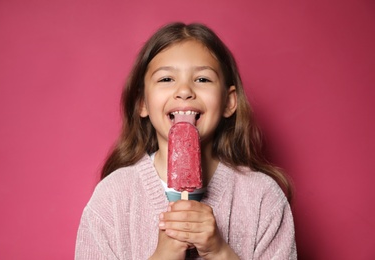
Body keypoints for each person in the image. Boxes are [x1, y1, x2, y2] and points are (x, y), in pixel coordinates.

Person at [75, 22, 297, 259]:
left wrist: (219, 251)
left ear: (229, 102)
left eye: (202, 79)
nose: (184, 90)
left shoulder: (262, 197)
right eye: (166, 79)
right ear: (142, 103)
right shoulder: (113, 196)